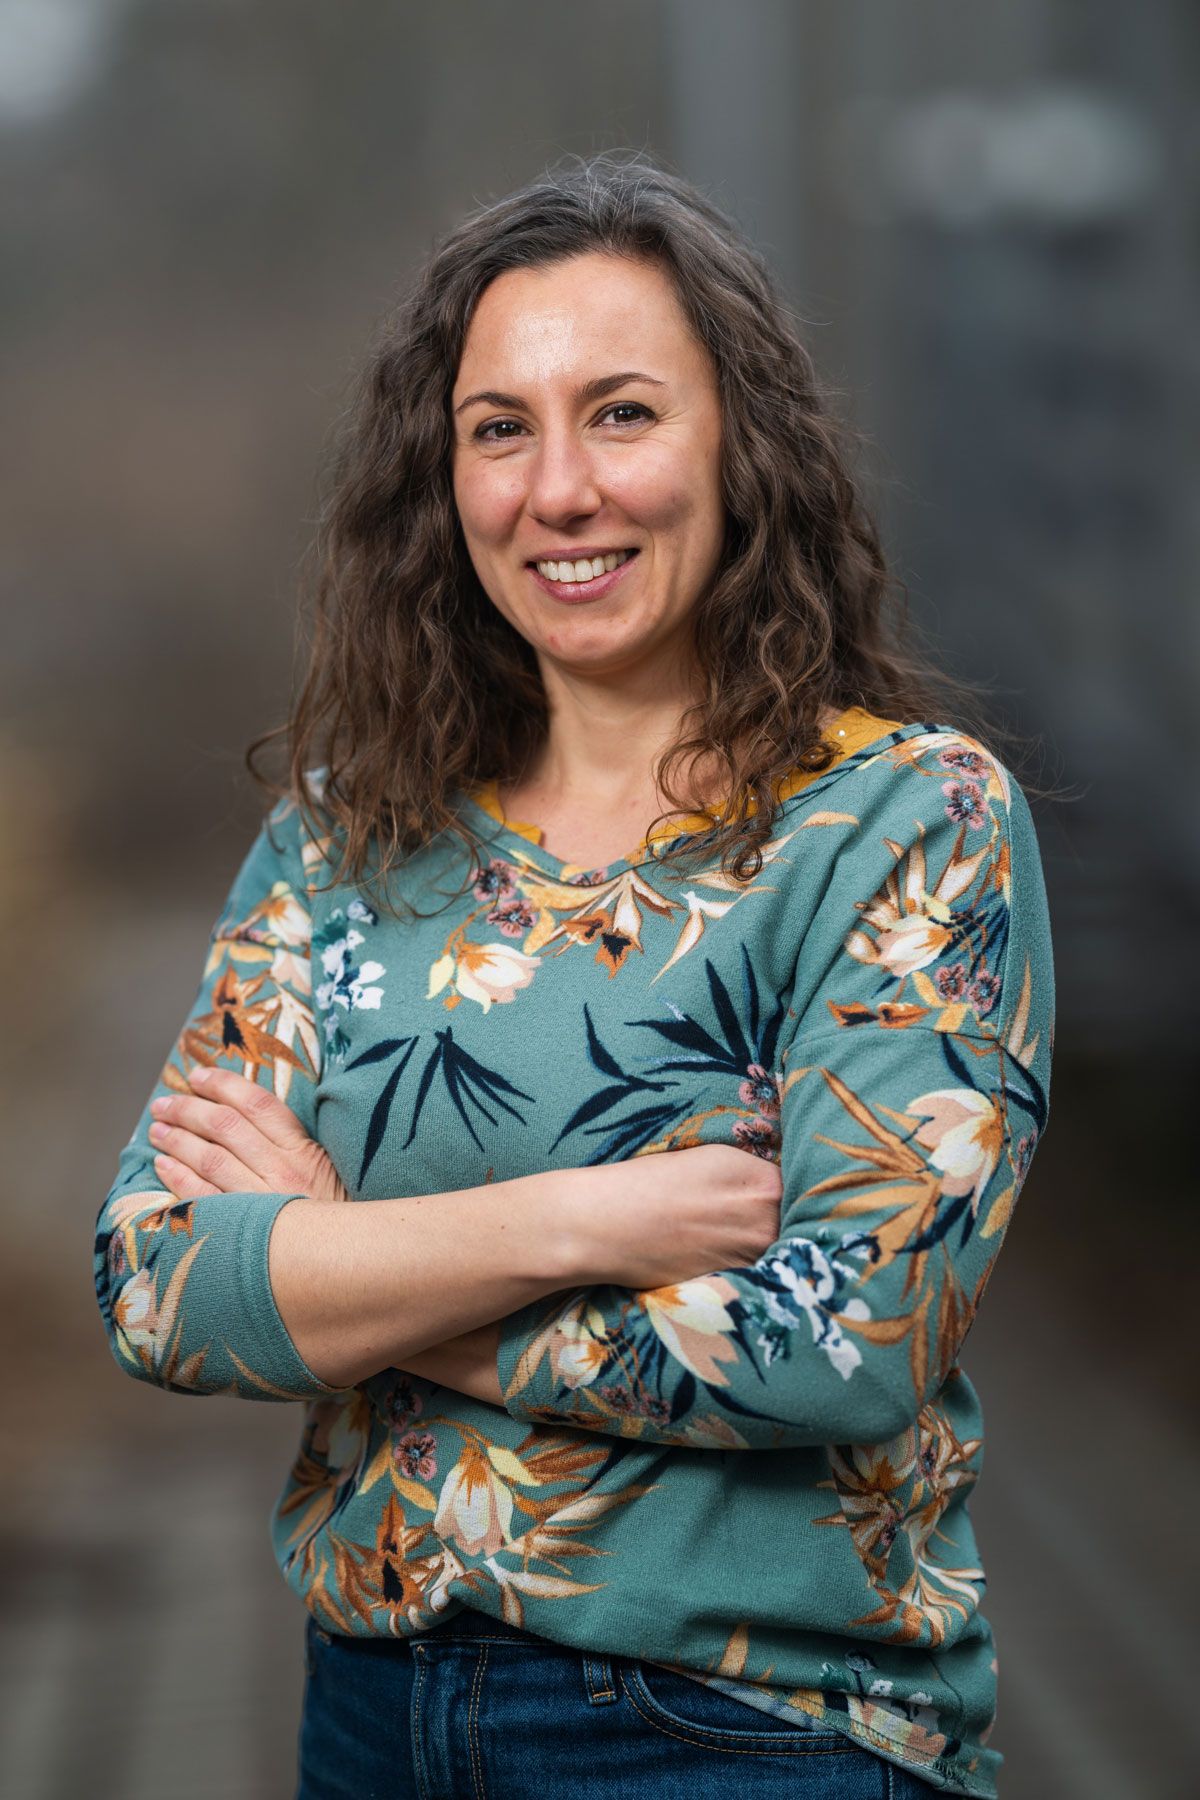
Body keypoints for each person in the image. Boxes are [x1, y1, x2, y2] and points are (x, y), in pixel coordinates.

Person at [93, 150, 1054, 1799]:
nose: (559, 490)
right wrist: (585, 1223)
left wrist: (348, 1276)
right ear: (444, 478)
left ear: (740, 446)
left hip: (755, 1737)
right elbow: (156, 1285)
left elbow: (848, 1338)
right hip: (371, 1718)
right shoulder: (348, 837)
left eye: (621, 412)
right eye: (499, 428)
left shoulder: (903, 821)